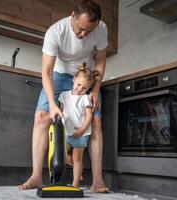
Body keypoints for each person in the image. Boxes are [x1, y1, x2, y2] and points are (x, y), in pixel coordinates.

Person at [18, 0, 109, 193]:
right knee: (42, 117)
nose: (83, 35)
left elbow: (100, 61)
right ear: (72, 16)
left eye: (88, 32)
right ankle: (36, 176)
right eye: (80, 30)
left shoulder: (101, 28)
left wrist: (94, 90)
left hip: (85, 76)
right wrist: (52, 104)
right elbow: (47, 72)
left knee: (95, 121)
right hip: (58, 75)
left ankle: (98, 181)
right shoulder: (55, 32)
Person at [59, 64, 100, 188]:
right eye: (78, 85)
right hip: (65, 132)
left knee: (78, 158)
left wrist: (82, 130)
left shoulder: (85, 98)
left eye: (84, 88)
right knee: (62, 154)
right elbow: (60, 113)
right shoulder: (64, 95)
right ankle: (75, 167)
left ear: (88, 89)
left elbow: (89, 117)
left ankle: (75, 183)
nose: (80, 89)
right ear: (74, 79)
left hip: (81, 133)